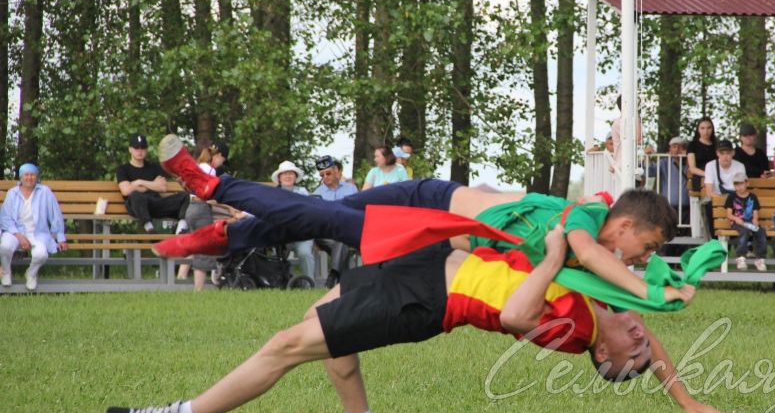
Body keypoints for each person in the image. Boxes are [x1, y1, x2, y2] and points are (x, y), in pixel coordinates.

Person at [106, 226, 736, 413]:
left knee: (285, 344)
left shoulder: (576, 332)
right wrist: (682, 397)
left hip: (422, 305)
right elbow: (651, 337)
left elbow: (518, 316)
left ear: (606, 360)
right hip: (425, 267)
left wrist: (547, 260)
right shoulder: (612, 323)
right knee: (315, 321)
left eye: (638, 350)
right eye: (643, 338)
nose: (643, 335)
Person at [153, 134, 695, 306]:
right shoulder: (590, 220)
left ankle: (226, 236)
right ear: (623, 226)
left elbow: (604, 280)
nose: (642, 259)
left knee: (319, 217)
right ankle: (214, 187)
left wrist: (667, 281)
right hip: (426, 207)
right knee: (319, 214)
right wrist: (654, 291)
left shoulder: (584, 242)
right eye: (644, 248)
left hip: (432, 224)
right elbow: (604, 260)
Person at [0, 163, 68, 291]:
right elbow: (5, 219)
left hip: (37, 232)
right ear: (21, 177)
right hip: (15, 231)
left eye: (32, 175)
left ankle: (31, 274)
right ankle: (7, 272)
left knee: (42, 254)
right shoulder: (12, 193)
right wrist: (19, 236)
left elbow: (56, 215)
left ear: (37, 177)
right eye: (26, 175)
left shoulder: (45, 192)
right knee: (5, 247)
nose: (29, 178)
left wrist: (61, 238)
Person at [177, 141, 228, 291]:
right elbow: (209, 193)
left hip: (190, 208)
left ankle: (180, 278)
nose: (221, 165)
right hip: (201, 209)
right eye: (222, 160)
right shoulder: (210, 171)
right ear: (218, 156)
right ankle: (198, 289)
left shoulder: (198, 166)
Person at [116, 133, 190, 234]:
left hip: (156, 204)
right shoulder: (123, 169)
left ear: (146, 150)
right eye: (136, 147)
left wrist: (139, 182)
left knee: (185, 196)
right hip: (138, 208)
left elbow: (162, 187)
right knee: (135, 195)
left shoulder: (154, 167)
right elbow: (126, 191)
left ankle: (181, 228)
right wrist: (152, 185)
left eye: (142, 148)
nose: (140, 151)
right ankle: (149, 228)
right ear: (130, 149)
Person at [313, 155, 358, 288]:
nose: (325, 177)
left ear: (337, 171)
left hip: (345, 230)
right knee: (342, 242)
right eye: (322, 174)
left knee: (342, 239)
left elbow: (355, 211)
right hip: (326, 234)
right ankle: (340, 278)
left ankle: (334, 275)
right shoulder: (317, 193)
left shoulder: (351, 189)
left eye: (328, 173)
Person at [273, 160, 317, 280]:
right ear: (279, 178)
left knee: (305, 253)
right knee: (276, 255)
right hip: (282, 234)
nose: (288, 176)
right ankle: (278, 283)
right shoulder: (273, 194)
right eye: (284, 173)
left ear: (295, 176)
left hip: (302, 233)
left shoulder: (302, 192)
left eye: (291, 173)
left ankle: (309, 284)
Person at [724, 171, 767, 271]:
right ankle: (741, 257)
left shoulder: (752, 197)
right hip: (737, 222)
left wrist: (755, 219)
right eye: (736, 184)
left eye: (741, 183)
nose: (739, 187)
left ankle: (760, 258)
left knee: (761, 233)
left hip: (750, 222)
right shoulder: (731, 197)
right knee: (744, 232)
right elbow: (729, 214)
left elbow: (755, 211)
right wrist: (736, 219)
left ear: (747, 183)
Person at [647, 136, 689, 211]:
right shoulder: (664, 162)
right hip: (668, 207)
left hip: (688, 208)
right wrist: (648, 157)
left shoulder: (690, 163)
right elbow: (650, 173)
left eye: (680, 147)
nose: (677, 150)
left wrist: (688, 157)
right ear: (670, 149)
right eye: (674, 147)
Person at [686, 117, 717, 193]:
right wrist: (708, 174)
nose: (706, 131)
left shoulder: (717, 145)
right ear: (698, 130)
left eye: (709, 128)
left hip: (716, 178)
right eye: (702, 128)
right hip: (700, 178)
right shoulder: (693, 145)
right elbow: (692, 168)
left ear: (712, 129)